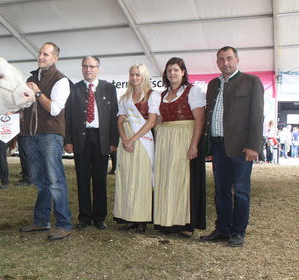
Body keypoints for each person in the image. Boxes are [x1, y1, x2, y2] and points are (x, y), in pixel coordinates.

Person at [200, 46, 264, 247]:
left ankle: (238, 232)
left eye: (229, 58)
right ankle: (223, 229)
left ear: (237, 59)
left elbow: (257, 116)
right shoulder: (212, 84)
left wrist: (253, 145)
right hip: (219, 145)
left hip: (241, 147)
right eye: (221, 59)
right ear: (217, 62)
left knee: (242, 191)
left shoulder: (251, 82)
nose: (225, 63)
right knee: (221, 190)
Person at [19, 42, 73, 241]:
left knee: (55, 181)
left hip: (51, 135)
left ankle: (64, 224)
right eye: (40, 53)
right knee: (40, 181)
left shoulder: (61, 81)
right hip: (32, 134)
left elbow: (54, 109)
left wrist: (38, 92)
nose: (41, 57)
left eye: (46, 54)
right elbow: (25, 104)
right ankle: (41, 221)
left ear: (55, 58)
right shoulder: (32, 78)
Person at [153, 57, 206, 238]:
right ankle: (166, 221)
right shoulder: (161, 94)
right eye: (169, 70)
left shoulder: (193, 91)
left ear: (183, 72)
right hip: (165, 139)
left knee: (182, 180)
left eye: (176, 70)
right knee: (166, 179)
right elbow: (159, 119)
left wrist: (193, 145)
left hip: (184, 137)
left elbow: (199, 119)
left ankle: (185, 223)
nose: (172, 73)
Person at [64, 56, 118, 231]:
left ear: (98, 68)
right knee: (82, 179)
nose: (88, 69)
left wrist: (113, 141)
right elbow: (68, 117)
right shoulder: (75, 89)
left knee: (100, 179)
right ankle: (84, 217)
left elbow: (113, 117)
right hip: (81, 139)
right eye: (85, 66)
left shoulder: (109, 88)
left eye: (92, 66)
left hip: (101, 140)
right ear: (81, 68)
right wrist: (68, 140)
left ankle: (99, 218)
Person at [112, 64, 160, 233]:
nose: (134, 78)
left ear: (144, 76)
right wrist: (125, 139)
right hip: (126, 142)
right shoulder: (125, 97)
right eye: (132, 74)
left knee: (142, 180)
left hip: (143, 142)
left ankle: (142, 219)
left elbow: (151, 121)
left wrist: (132, 139)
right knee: (127, 178)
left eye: (138, 75)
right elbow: (119, 121)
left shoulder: (152, 96)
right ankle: (129, 217)